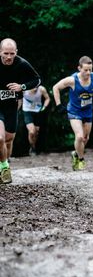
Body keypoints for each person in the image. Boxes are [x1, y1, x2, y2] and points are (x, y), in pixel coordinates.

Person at [53, 56, 93, 170]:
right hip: (74, 111)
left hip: (87, 111)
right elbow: (55, 87)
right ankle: (81, 160)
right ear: (79, 68)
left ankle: (76, 154)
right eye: (85, 70)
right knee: (79, 136)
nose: (88, 73)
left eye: (90, 70)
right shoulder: (72, 80)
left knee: (86, 138)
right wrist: (58, 105)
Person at [0, 38, 41, 184]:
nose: (9, 57)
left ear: (16, 52)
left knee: (8, 140)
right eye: (6, 53)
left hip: (11, 106)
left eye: (12, 53)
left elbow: (37, 80)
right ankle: (4, 167)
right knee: (0, 138)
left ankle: (5, 165)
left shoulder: (22, 63)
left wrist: (21, 87)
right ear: (0, 53)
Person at [22, 85, 50, 155]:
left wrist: (44, 107)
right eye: (33, 87)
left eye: (36, 87)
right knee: (31, 131)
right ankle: (32, 147)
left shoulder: (41, 89)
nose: (35, 89)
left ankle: (33, 146)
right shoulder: (24, 90)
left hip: (38, 111)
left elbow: (47, 98)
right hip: (27, 111)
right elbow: (18, 98)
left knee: (36, 132)